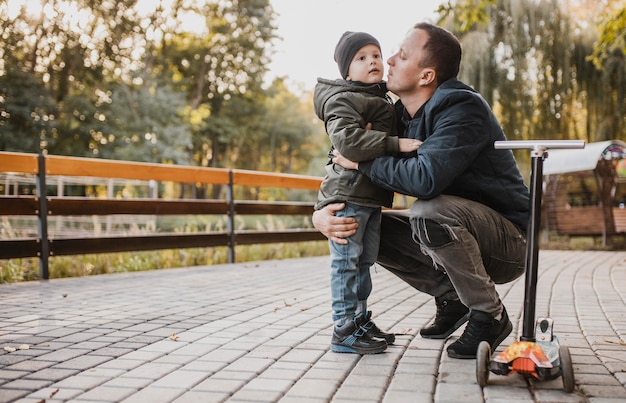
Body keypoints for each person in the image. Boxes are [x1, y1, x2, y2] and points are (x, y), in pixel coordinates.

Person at [313, 22, 530, 359]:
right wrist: (320, 211)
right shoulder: (398, 115)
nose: (389, 61)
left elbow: (424, 179)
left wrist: (362, 163)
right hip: (460, 231)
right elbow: (344, 148)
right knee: (366, 223)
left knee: (430, 210)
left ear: (427, 76)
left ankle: (489, 314)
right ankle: (453, 296)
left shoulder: (462, 108)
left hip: (507, 242)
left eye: (401, 54)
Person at [314, 31, 422, 354]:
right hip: (347, 196)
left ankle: (359, 320)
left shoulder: (379, 100)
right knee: (346, 263)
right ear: (347, 71)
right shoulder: (343, 99)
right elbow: (347, 142)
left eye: (375, 54)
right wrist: (393, 144)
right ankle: (343, 327)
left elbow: (361, 144)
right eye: (361, 58)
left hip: (368, 197)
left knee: (364, 263)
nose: (372, 61)